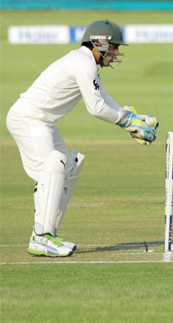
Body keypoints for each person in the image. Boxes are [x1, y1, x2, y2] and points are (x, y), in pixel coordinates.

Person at [6, 20, 159, 258]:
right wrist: (126, 123)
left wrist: (131, 117)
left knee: (70, 165)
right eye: (114, 46)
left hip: (43, 122)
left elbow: (103, 96)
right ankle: (40, 238)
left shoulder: (86, 62)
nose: (117, 52)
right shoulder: (82, 63)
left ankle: (49, 234)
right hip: (29, 119)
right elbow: (96, 107)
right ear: (99, 42)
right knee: (54, 164)